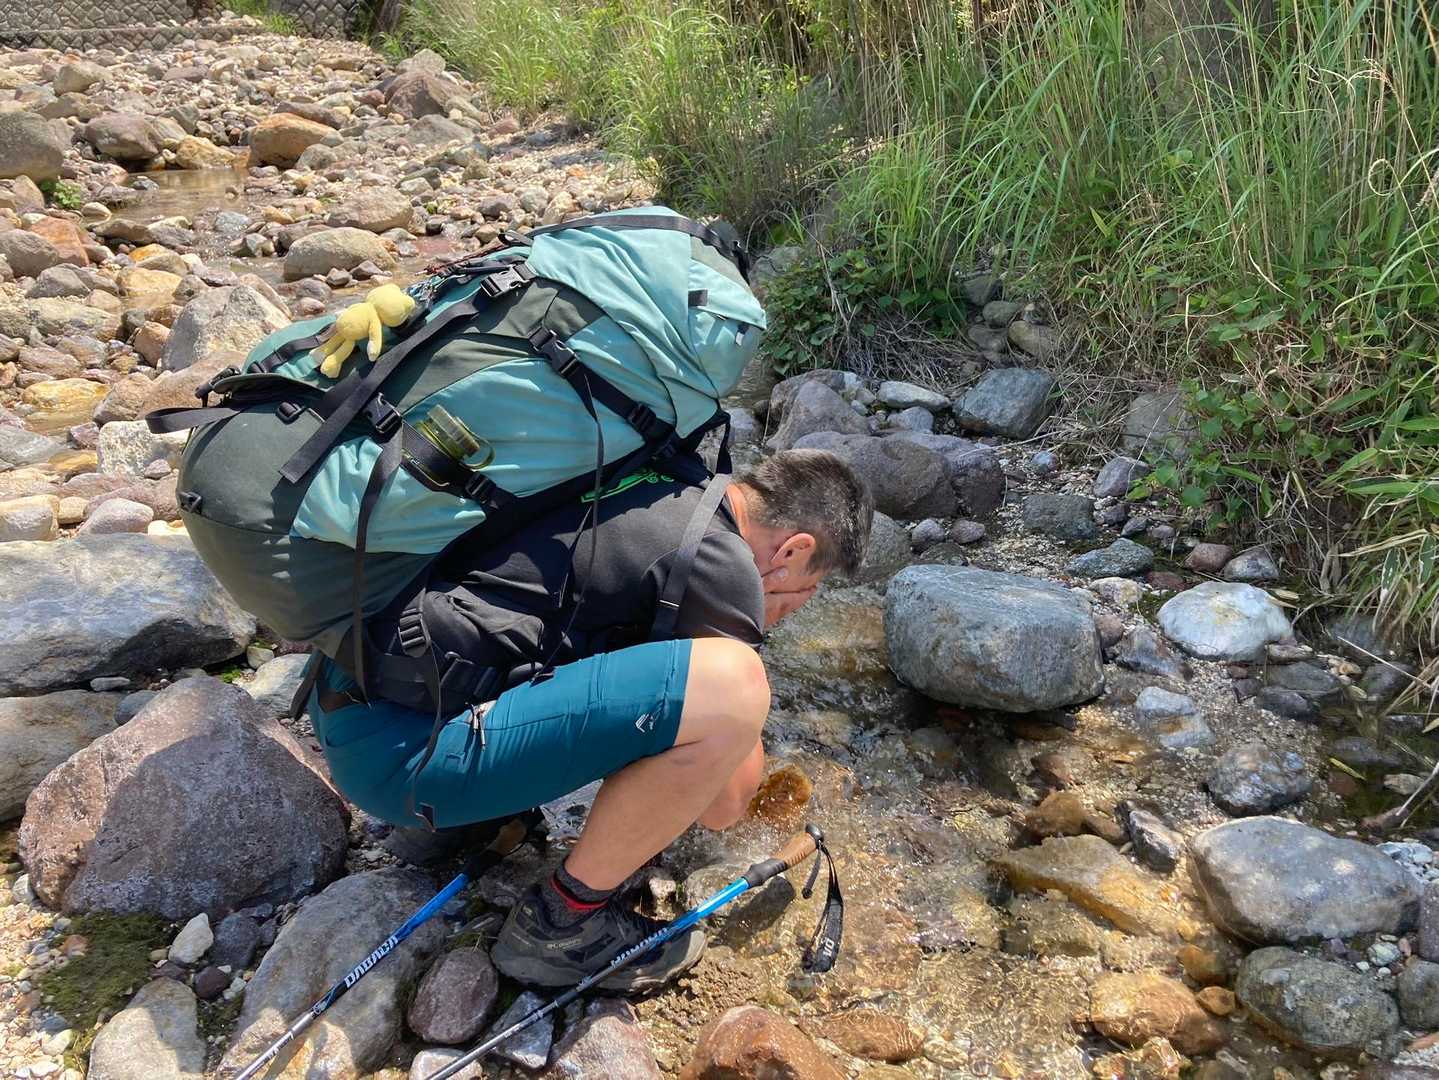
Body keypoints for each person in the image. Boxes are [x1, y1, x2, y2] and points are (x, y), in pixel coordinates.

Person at [305, 447, 873, 992]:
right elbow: (725, 807)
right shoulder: (720, 564)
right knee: (735, 686)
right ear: (793, 551)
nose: (800, 602)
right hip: (403, 764)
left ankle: (465, 822)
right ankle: (561, 926)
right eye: (810, 588)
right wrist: (745, 650)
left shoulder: (664, 478)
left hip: (350, 694)